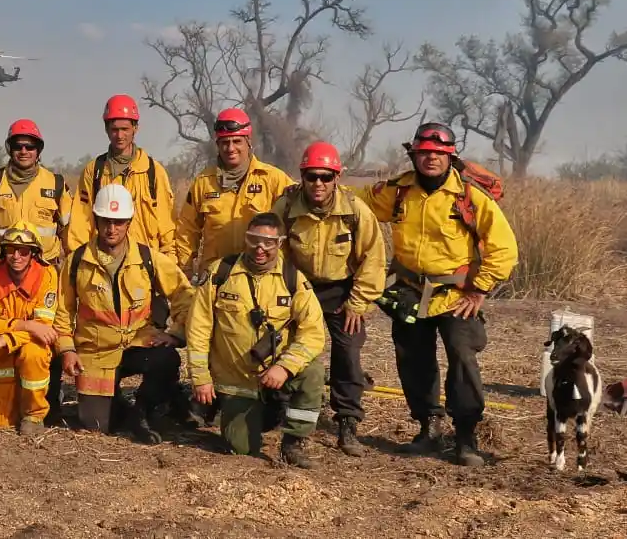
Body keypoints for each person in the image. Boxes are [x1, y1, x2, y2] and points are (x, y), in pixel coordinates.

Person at [357, 122, 518, 467]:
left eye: (438, 153)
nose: (430, 158)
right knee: (413, 360)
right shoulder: (398, 191)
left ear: (450, 157)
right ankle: (428, 428)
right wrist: (316, 185)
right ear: (413, 155)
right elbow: (355, 204)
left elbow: (503, 247)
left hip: (456, 296)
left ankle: (465, 437)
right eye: (424, 153)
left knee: (462, 357)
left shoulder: (469, 196)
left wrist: (479, 289)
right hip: (409, 292)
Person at [270, 141, 387, 456]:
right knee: (281, 341)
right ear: (302, 177)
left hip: (341, 289)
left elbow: (373, 259)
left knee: (348, 349)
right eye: (312, 176)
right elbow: (274, 254)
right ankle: (282, 404)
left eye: (326, 176)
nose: (318, 184)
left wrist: (358, 302)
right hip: (299, 286)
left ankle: (347, 420)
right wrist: (281, 296)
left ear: (337, 177)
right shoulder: (285, 208)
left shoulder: (355, 210)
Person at [54, 184, 195, 443]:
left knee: (166, 359)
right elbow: (62, 312)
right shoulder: (77, 262)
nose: (112, 229)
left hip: (138, 344)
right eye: (106, 221)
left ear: (129, 222)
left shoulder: (147, 258)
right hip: (96, 351)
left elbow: (185, 296)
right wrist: (67, 350)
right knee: (97, 425)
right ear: (95, 220)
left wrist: (175, 334)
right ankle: (120, 405)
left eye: (118, 222)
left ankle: (144, 409)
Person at [186, 212, 326, 467]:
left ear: (279, 243)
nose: (260, 248)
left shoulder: (293, 278)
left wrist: (285, 367)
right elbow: (198, 327)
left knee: (313, 373)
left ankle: (294, 442)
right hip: (236, 383)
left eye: (268, 242)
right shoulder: (220, 273)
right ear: (246, 239)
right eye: (254, 240)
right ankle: (225, 409)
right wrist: (201, 378)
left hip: (275, 377)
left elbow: (313, 333)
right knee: (241, 450)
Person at [0, 118, 72, 422]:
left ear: (38, 150)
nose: (24, 151)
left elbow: (69, 230)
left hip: (45, 272)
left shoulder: (55, 184)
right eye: (18, 146)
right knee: (3, 331)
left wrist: (68, 270)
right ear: (10, 148)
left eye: (30, 146)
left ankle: (48, 403)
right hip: (5, 271)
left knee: (46, 338)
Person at [175, 108, 294, 279]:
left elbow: (299, 217)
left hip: (261, 279)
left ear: (248, 141)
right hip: (215, 278)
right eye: (225, 142)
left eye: (237, 141)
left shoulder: (273, 179)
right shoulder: (203, 182)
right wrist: (186, 274)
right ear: (217, 145)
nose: (230, 148)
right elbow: (186, 232)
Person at [66, 95, 175, 264]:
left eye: (125, 129)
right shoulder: (94, 171)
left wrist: (168, 265)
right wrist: (79, 265)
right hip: (103, 264)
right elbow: (80, 226)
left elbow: (167, 228)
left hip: (144, 266)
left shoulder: (153, 172)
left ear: (135, 128)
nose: (119, 135)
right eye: (114, 129)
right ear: (106, 129)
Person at [0, 221, 58, 436]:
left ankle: (34, 415)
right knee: (0, 422)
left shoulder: (48, 276)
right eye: (11, 250)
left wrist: (2, 339)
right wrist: (27, 325)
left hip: (26, 343)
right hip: (2, 347)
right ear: (3, 252)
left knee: (34, 353)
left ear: (34, 254)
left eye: (24, 251)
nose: (16, 256)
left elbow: (44, 329)